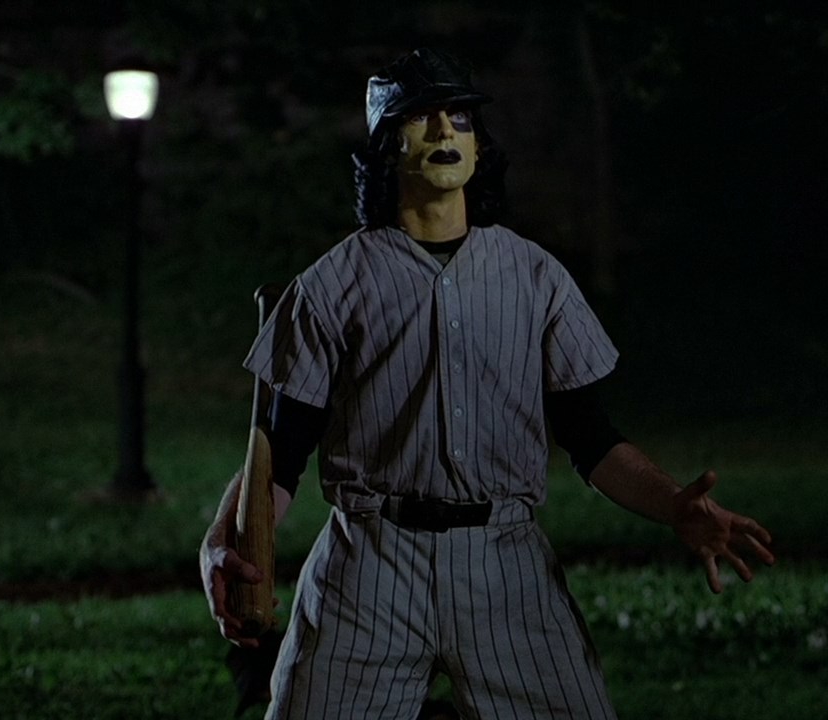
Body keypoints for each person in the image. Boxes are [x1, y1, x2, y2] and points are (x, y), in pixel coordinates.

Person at [200, 47, 775, 720]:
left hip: (505, 564)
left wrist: (674, 504)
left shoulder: (535, 277)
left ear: (478, 146)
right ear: (387, 147)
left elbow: (591, 440)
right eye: (421, 117)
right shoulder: (333, 283)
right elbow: (278, 455)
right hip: (371, 564)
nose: (445, 130)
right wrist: (223, 540)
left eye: (461, 118)